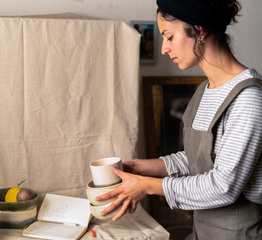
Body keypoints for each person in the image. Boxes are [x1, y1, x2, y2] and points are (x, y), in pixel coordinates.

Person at [96, 0, 262, 239]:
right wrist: (144, 168)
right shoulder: (205, 91)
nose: (164, 48)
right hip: (202, 231)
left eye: (169, 37)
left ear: (199, 30)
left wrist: (147, 186)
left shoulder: (249, 99)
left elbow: (223, 187)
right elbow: (201, 159)